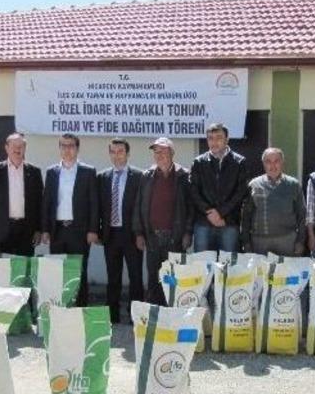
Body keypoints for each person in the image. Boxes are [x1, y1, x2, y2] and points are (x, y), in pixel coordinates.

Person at [134, 137, 194, 306]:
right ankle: (155, 314)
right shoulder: (147, 176)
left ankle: (172, 314)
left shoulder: (184, 176)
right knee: (154, 279)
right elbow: (139, 205)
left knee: (173, 279)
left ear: (172, 153)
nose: (159, 155)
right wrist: (138, 233)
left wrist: (188, 232)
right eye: (156, 152)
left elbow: (191, 207)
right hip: (152, 237)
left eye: (163, 151)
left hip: (175, 237)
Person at [41, 134, 99, 306]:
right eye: (64, 146)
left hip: (79, 231)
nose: (67, 150)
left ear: (77, 148)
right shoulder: (52, 172)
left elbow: (94, 203)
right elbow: (46, 202)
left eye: (71, 146)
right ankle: (60, 309)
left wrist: (93, 230)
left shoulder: (88, 172)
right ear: (59, 148)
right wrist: (45, 229)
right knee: (58, 272)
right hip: (57, 231)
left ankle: (80, 309)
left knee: (79, 272)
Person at [97, 138, 143, 324]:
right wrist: (98, 231)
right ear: (110, 154)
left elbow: (142, 207)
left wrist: (140, 233)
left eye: (120, 151)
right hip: (111, 235)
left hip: (132, 234)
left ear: (127, 154)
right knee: (113, 276)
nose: (117, 156)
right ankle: (112, 315)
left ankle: (135, 315)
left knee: (135, 276)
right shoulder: (102, 177)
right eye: (113, 152)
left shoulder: (139, 176)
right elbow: (98, 207)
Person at [189, 123, 250, 252]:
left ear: (227, 140)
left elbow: (241, 192)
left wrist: (221, 213)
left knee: (228, 263)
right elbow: (193, 191)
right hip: (204, 223)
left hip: (228, 223)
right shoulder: (198, 162)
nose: (214, 142)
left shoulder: (239, 162)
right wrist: (209, 212)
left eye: (218, 138)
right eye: (210, 138)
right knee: (202, 263)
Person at [0, 133, 43, 257]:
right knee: (2, 266)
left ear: (25, 148)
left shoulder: (34, 172)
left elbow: (39, 203)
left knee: (24, 266)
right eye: (14, 146)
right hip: (1, 231)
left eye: (21, 146)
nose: (17, 149)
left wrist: (38, 229)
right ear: (6, 148)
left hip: (26, 230)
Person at [241, 147, 306, 256]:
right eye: (268, 162)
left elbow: (302, 215)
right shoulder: (254, 185)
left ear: (282, 163)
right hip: (260, 242)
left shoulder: (293, 185)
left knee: (286, 268)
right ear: (263, 164)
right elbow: (245, 217)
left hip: (287, 240)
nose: (273, 165)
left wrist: (300, 241)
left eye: (276, 161)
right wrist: (246, 242)